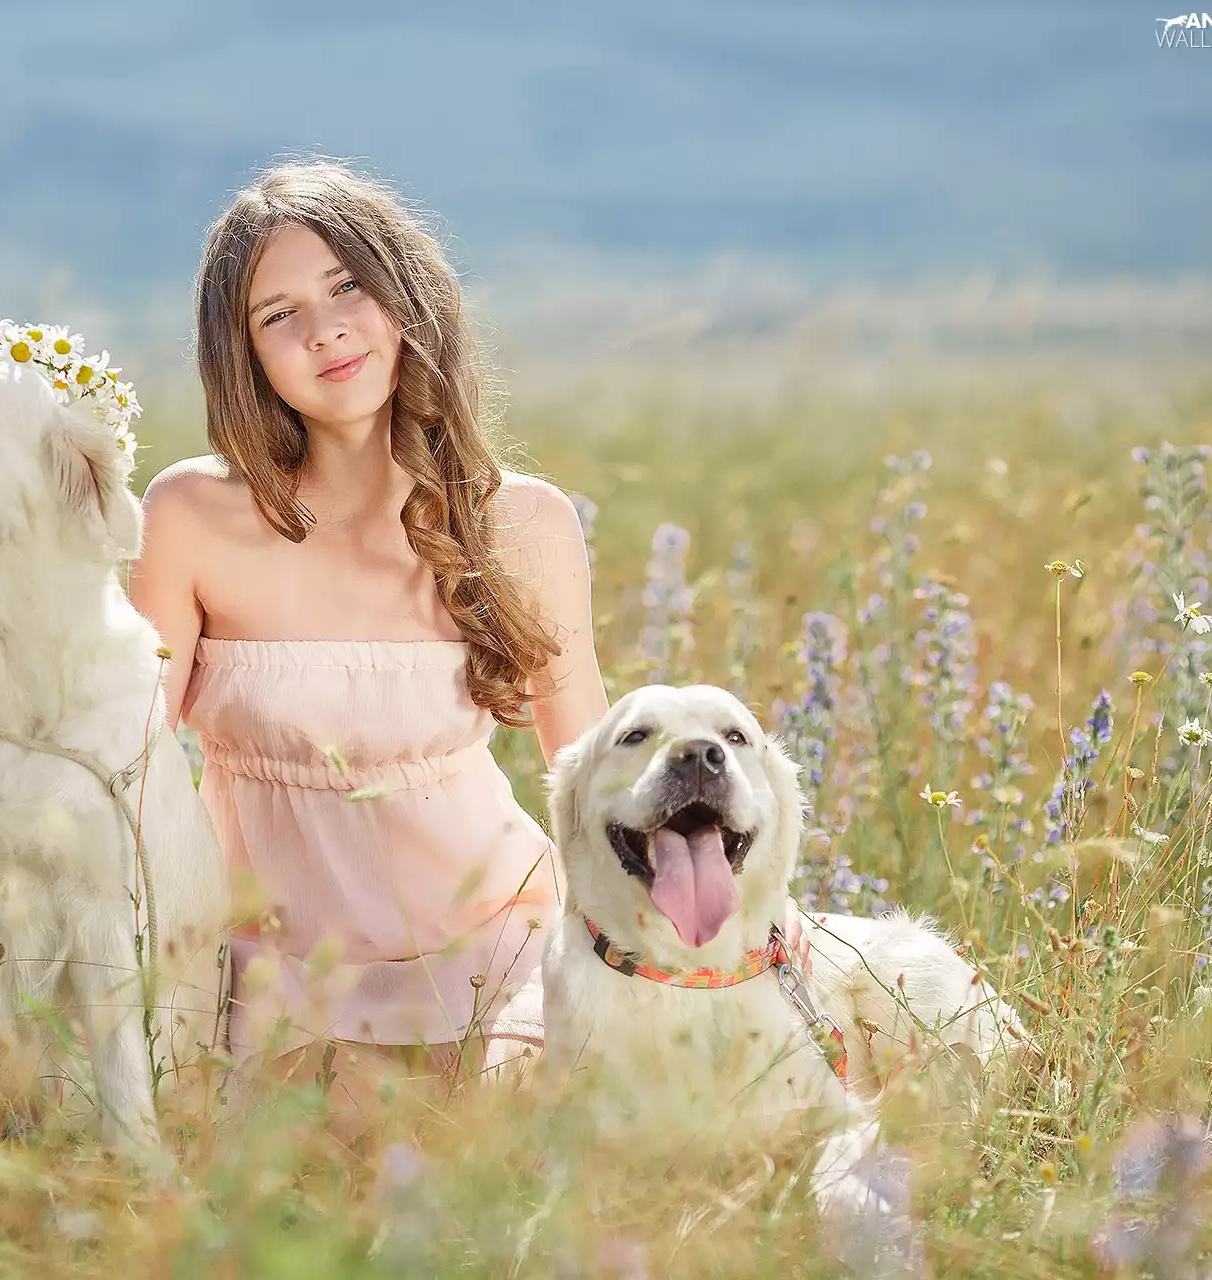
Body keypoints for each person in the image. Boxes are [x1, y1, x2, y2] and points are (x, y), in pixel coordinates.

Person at [128, 161, 796, 1119]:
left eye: (348, 286)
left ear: (408, 298)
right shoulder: (192, 514)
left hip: (497, 964)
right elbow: (127, 767)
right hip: (267, 979)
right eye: (277, 315)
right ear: (243, 354)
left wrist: (701, 940)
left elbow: (592, 763)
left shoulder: (522, 524)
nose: (325, 331)